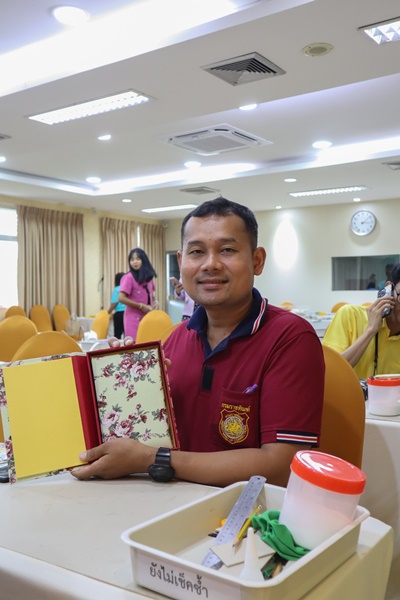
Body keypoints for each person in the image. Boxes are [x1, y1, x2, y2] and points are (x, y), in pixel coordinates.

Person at [72, 198, 325, 488]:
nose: (210, 264)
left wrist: (153, 459)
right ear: (182, 262)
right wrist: (121, 391)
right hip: (163, 500)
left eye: (227, 250)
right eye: (196, 252)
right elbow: (147, 438)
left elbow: (281, 466)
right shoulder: (174, 340)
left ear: (257, 261)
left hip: (244, 511)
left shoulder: (291, 339)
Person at [323, 263, 400, 379]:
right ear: (389, 289)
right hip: (348, 391)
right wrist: (370, 330)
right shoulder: (350, 315)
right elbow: (330, 371)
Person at [118, 248, 158, 340]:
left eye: (138, 259)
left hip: (147, 317)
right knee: (135, 344)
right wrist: (140, 305)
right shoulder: (128, 277)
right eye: (132, 260)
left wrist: (155, 302)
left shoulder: (149, 278)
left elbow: (151, 293)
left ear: (144, 260)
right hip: (133, 318)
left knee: (147, 343)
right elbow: (121, 298)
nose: (134, 262)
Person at [107, 272, 126, 339]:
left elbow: (114, 303)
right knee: (127, 334)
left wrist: (108, 312)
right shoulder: (128, 288)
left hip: (119, 314)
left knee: (117, 335)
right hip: (128, 313)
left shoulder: (117, 289)